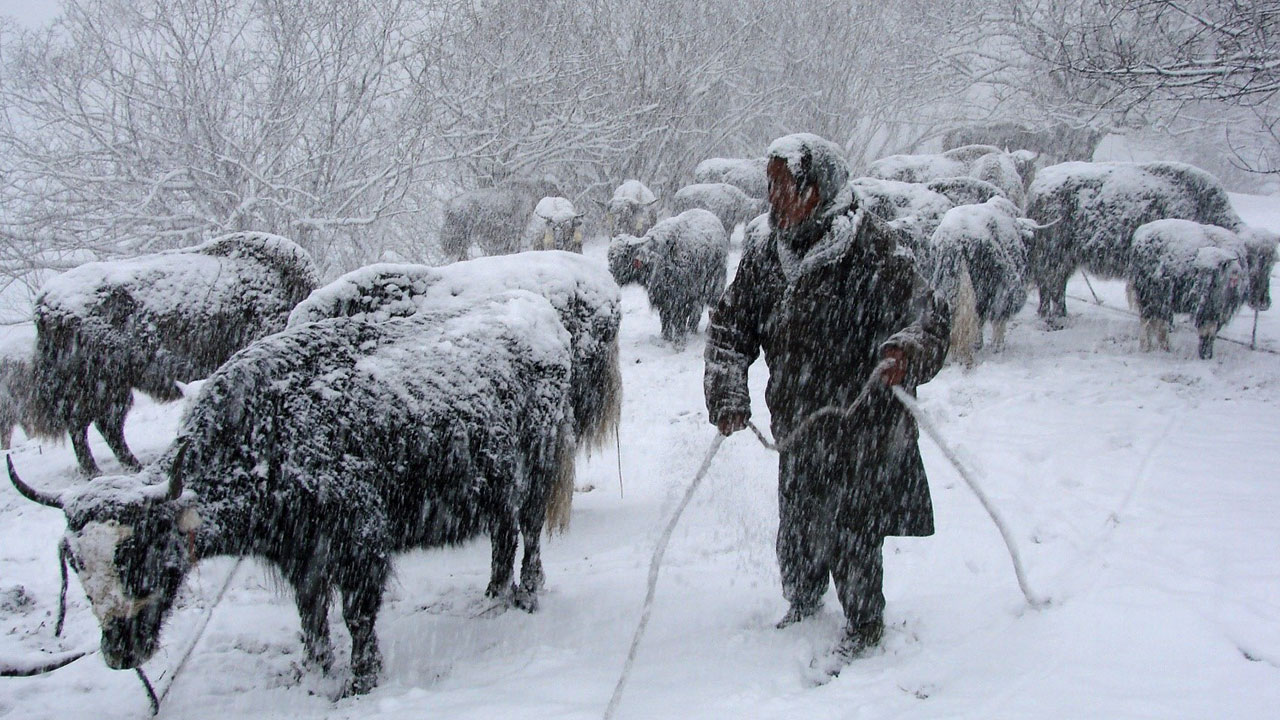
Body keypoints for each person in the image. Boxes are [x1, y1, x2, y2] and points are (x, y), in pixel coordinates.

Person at [703, 133, 950, 657]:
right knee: (797, 524)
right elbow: (730, 327)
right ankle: (802, 602)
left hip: (864, 426)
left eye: (781, 187)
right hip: (797, 422)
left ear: (817, 188)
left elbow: (927, 317)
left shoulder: (873, 246)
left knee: (854, 531)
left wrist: (906, 351)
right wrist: (727, 390)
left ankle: (864, 627)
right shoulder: (768, 254)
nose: (771, 199)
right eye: (767, 186)